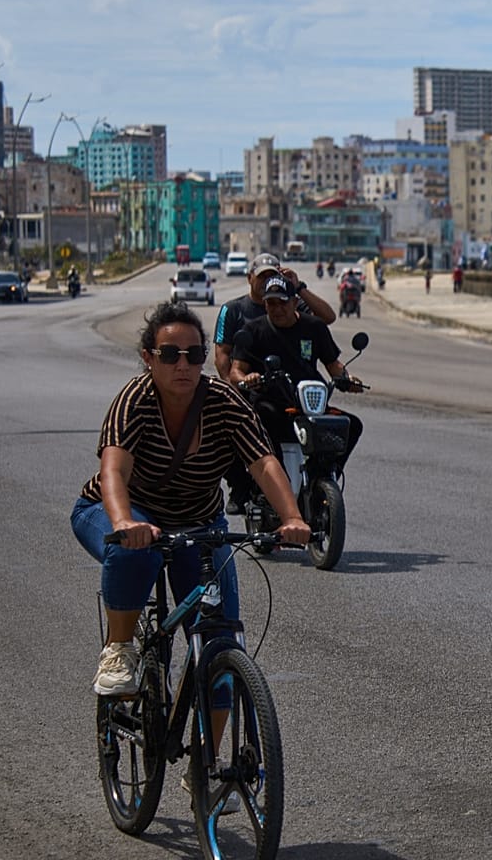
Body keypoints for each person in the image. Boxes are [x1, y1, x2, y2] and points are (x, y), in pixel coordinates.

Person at [72, 300, 311, 701]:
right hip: (117, 511)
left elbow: (265, 463)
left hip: (197, 524)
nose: (182, 365)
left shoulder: (224, 402)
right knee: (139, 554)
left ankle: (209, 762)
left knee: (220, 641)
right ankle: (119, 650)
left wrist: (291, 517)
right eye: (169, 355)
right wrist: (124, 523)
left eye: (195, 355)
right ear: (149, 358)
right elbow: (114, 471)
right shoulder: (135, 401)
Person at [214, 253, 336, 514]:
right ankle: (242, 486)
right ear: (250, 279)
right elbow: (224, 356)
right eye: (262, 277)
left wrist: (298, 287)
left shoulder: (292, 306)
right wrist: (235, 388)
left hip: (295, 393)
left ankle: (319, 480)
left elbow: (326, 318)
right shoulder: (235, 311)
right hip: (252, 389)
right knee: (225, 427)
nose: (268, 281)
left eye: (273, 275)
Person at [228, 277, 365, 468]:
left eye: (282, 302)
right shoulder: (253, 330)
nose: (277, 309)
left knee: (352, 425)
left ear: (294, 302)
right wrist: (247, 379)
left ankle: (322, 474)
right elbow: (236, 371)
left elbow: (334, 365)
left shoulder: (315, 327)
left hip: (309, 406)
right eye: (271, 303)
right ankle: (274, 478)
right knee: (261, 419)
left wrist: (347, 380)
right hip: (271, 404)